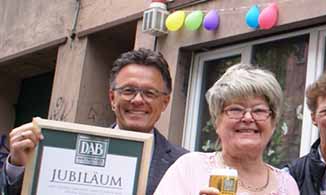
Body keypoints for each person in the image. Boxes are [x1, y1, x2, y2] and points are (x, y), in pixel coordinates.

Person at [1, 48, 188, 195]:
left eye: (149, 93)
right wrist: (17, 166)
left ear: (165, 102)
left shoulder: (184, 164)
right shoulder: (63, 150)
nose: (138, 100)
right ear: (112, 98)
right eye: (128, 90)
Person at [154, 64, 299, 195]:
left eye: (259, 110)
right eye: (236, 109)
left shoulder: (287, 185)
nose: (248, 118)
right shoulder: (189, 168)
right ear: (217, 121)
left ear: (273, 122)